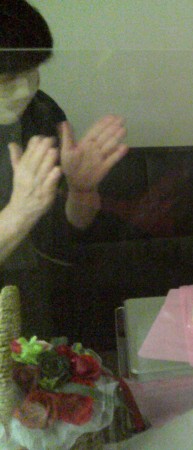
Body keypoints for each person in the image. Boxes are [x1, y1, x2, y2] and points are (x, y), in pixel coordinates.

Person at [0, 1, 129, 336]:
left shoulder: (40, 112)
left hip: (37, 302)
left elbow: (68, 233)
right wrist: (18, 213)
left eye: (32, 70)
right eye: (8, 79)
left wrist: (81, 190)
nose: (25, 89)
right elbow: (23, 217)